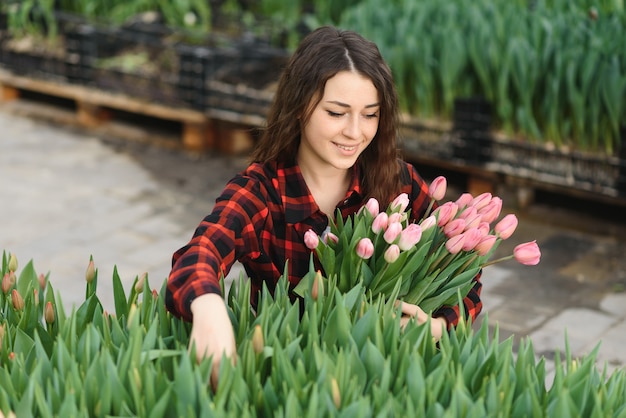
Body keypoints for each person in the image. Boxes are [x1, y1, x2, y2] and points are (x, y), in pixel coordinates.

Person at [165, 25, 482, 386]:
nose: (355, 132)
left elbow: (464, 266)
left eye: (370, 114)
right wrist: (208, 308)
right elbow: (200, 252)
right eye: (336, 112)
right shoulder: (263, 193)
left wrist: (440, 326)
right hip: (292, 380)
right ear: (299, 107)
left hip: (386, 379)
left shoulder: (397, 183)